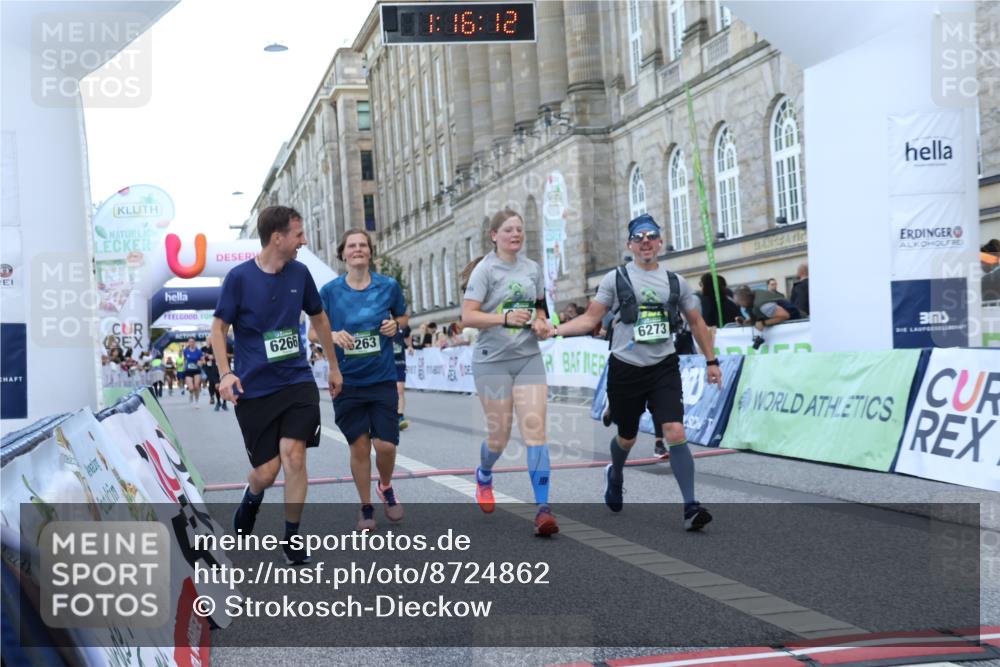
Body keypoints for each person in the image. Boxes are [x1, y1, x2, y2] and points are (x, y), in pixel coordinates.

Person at [555, 213, 720, 531]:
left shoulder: (676, 282)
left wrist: (711, 362)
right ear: (630, 244)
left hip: (664, 366)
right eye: (639, 237)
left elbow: (697, 323)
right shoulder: (615, 279)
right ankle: (614, 472)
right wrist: (555, 330)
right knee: (627, 437)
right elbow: (590, 320)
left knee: (675, 430)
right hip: (626, 369)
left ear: (659, 243)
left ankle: (690, 507)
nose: (646, 241)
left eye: (651, 236)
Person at [212, 205, 341, 566]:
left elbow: (320, 318)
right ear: (277, 238)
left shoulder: (300, 273)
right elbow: (218, 330)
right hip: (254, 388)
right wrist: (225, 373)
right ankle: (251, 496)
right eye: (298, 235)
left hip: (296, 381)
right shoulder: (238, 278)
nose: (304, 241)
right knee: (267, 473)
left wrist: (333, 366)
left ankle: (292, 537)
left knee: (295, 456)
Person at [461, 207, 558, 537]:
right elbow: (468, 317)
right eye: (508, 230)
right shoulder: (485, 271)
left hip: (528, 356)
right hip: (492, 361)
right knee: (499, 437)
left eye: (519, 229)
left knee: (535, 428)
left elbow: (540, 306)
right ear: (494, 236)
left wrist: (543, 322)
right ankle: (484, 473)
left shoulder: (532, 268)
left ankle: (543, 509)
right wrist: (503, 319)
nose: (515, 234)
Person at [321, 228, 409, 532]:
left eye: (363, 245)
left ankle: (385, 486)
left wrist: (394, 326)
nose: (358, 249)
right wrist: (331, 335)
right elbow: (311, 332)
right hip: (347, 382)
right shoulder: (330, 292)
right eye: (352, 245)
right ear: (343, 253)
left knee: (385, 445)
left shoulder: (389, 286)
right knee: (359, 447)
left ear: (370, 252)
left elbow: (404, 318)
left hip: (382, 378)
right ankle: (366, 506)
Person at [734, 285, 803, 349]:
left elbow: (784, 315)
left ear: (744, 298)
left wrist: (763, 323)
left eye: (739, 302)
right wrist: (745, 322)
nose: (738, 305)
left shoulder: (763, 305)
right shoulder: (753, 299)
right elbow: (762, 314)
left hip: (800, 325)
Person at [392, 321, 412, 430]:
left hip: (400, 362)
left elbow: (408, 336)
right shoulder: (382, 323)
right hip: (387, 363)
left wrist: (409, 346)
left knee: (400, 390)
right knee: (390, 390)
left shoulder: (404, 326)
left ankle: (400, 416)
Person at [181, 338, 204, 406]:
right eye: (190, 342)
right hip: (188, 371)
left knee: (196, 387)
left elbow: (203, 361)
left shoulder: (198, 351)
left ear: (195, 342)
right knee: (191, 388)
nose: (191, 343)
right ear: (188, 343)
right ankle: (191, 394)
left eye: (192, 342)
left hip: (197, 371)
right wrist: (184, 365)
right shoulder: (186, 351)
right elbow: (185, 360)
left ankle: (196, 401)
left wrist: (200, 362)